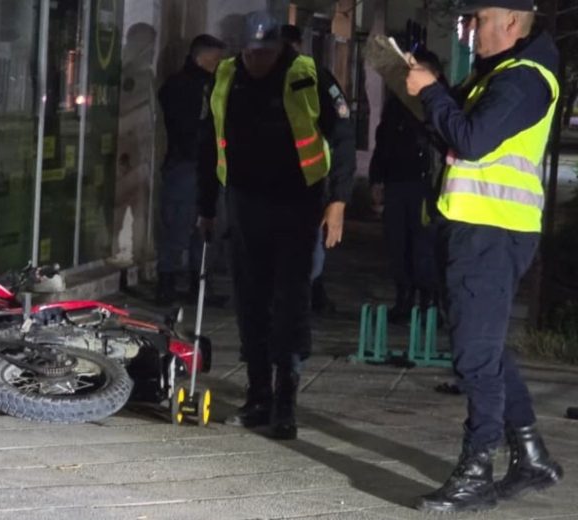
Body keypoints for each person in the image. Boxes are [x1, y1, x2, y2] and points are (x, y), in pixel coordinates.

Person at [406, 0, 563, 513]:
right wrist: (427, 97)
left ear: (512, 22)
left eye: (479, 20)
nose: (470, 30)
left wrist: (431, 91)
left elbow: (472, 141)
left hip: (493, 233)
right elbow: (456, 135)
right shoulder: (497, 75)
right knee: (488, 349)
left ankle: (478, 470)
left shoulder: (524, 80)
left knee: (475, 357)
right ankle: (533, 456)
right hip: (479, 229)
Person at [198, 11, 355, 438]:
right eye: (249, 53)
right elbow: (208, 143)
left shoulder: (308, 75)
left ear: (280, 48)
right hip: (245, 204)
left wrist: (338, 201)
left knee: (289, 302)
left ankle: (286, 401)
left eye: (264, 53)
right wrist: (206, 206)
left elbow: (342, 138)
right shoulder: (228, 76)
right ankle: (258, 395)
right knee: (249, 302)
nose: (256, 61)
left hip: (297, 203)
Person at [369, 48, 445, 324]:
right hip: (396, 183)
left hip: (426, 184)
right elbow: (383, 142)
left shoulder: (440, 103)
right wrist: (377, 178)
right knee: (397, 244)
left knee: (424, 245)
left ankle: (429, 304)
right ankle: (404, 299)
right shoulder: (397, 102)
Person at [155, 34, 227, 307]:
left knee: (209, 227)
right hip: (186, 164)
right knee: (177, 224)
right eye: (216, 59)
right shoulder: (181, 85)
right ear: (202, 57)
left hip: (210, 165)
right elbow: (184, 127)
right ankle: (167, 283)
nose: (219, 64)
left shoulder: (213, 84)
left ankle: (200, 286)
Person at [280, 23, 339, 316]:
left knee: (309, 249)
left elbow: (340, 130)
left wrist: (338, 195)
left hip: (309, 179)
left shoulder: (316, 77)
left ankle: (306, 293)